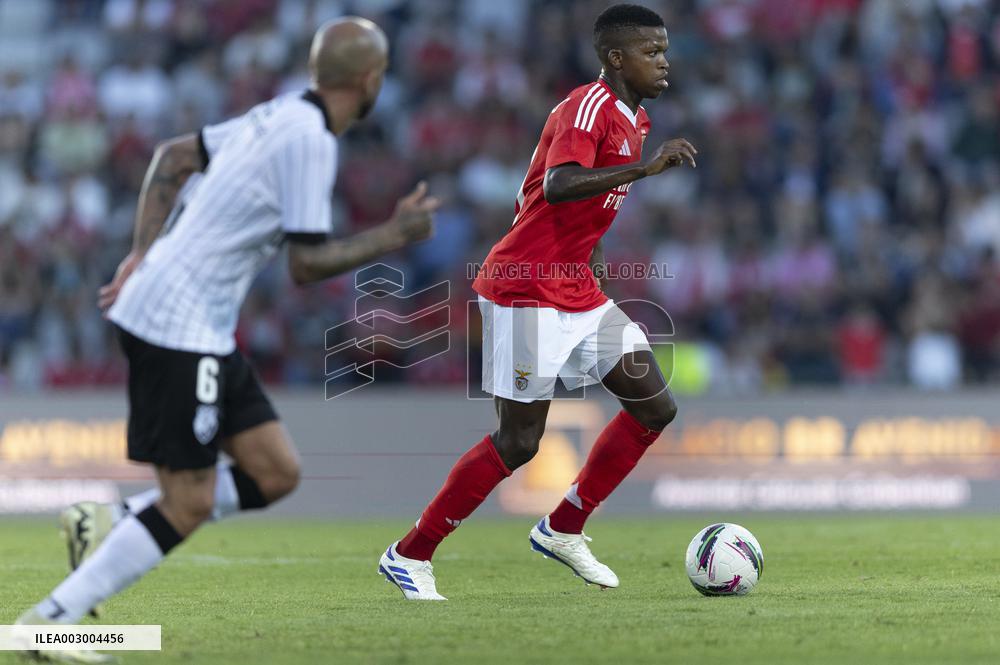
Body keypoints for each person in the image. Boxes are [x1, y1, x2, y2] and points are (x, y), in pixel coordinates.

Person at [17, 17, 438, 662]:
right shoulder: (311, 139)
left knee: (275, 472)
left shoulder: (276, 113)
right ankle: (49, 626)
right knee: (187, 501)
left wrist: (140, 254)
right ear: (371, 79)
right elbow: (306, 264)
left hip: (197, 321)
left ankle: (108, 523)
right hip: (177, 325)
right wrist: (392, 235)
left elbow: (172, 157)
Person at [378, 4, 696, 600]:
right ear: (616, 57)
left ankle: (564, 526)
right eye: (652, 51)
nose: (664, 62)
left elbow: (587, 211)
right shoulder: (587, 106)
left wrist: (595, 265)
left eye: (664, 50)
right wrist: (646, 169)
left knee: (654, 406)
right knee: (520, 441)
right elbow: (559, 183)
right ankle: (409, 553)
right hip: (524, 287)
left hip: (577, 289)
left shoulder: (636, 118)